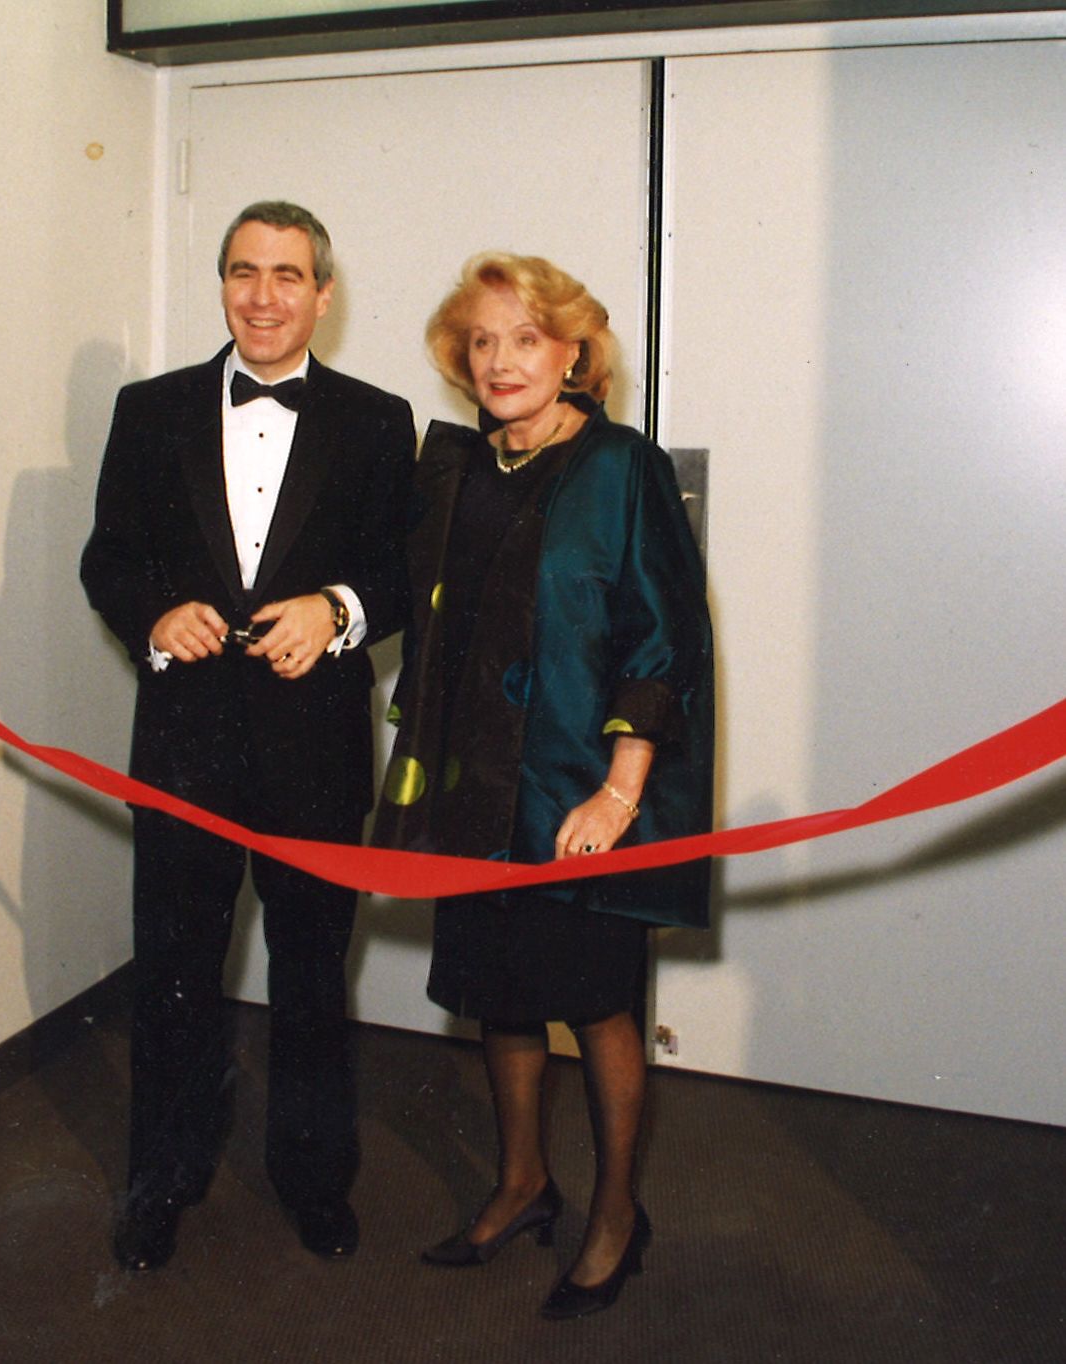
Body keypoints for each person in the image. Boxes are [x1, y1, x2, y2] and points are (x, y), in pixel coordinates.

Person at [373, 253, 713, 1320]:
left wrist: (618, 792)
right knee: (500, 996)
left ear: (573, 353)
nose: (501, 360)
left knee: (598, 1005)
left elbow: (663, 636)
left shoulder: (622, 466)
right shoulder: (461, 468)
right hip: (479, 794)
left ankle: (616, 1211)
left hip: (579, 795)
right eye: (482, 340)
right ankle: (523, 1181)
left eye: (526, 337)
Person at [81, 201, 415, 1271]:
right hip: (184, 748)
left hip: (315, 753)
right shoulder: (148, 409)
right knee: (174, 974)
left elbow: (403, 573)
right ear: (221, 283)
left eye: (286, 274)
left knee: (314, 977)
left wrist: (341, 608)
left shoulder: (377, 417)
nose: (262, 296)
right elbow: (108, 557)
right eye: (242, 271)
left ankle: (315, 1182)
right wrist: (151, 613)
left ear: (324, 293)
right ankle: (160, 1182)